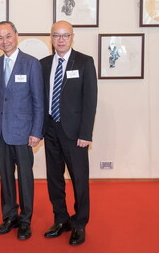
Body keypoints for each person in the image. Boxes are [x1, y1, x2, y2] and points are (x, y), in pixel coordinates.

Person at [40, 21, 98, 246]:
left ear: (72, 37)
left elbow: (90, 100)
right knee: (54, 179)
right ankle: (61, 219)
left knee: (79, 181)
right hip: (50, 130)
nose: (61, 39)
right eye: (56, 35)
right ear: (51, 38)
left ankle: (80, 223)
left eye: (65, 35)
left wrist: (86, 133)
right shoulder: (43, 64)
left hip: (75, 134)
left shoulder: (84, 62)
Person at [0, 21, 44, 240]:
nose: (4, 41)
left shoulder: (31, 64)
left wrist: (36, 131)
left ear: (16, 35)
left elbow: (39, 101)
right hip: (1, 131)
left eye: (8, 36)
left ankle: (25, 220)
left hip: (23, 131)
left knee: (26, 178)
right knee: (6, 177)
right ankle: (9, 216)